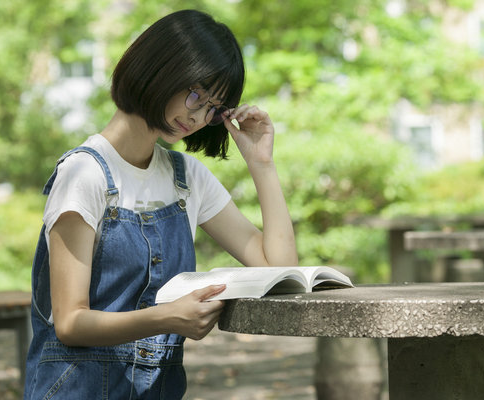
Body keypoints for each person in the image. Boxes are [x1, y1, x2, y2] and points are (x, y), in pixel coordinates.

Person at [23, 9, 297, 399]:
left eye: (213, 108)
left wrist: (262, 163)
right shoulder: (86, 173)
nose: (198, 115)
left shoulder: (187, 178)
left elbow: (278, 272)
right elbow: (70, 322)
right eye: (196, 94)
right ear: (159, 69)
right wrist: (168, 318)